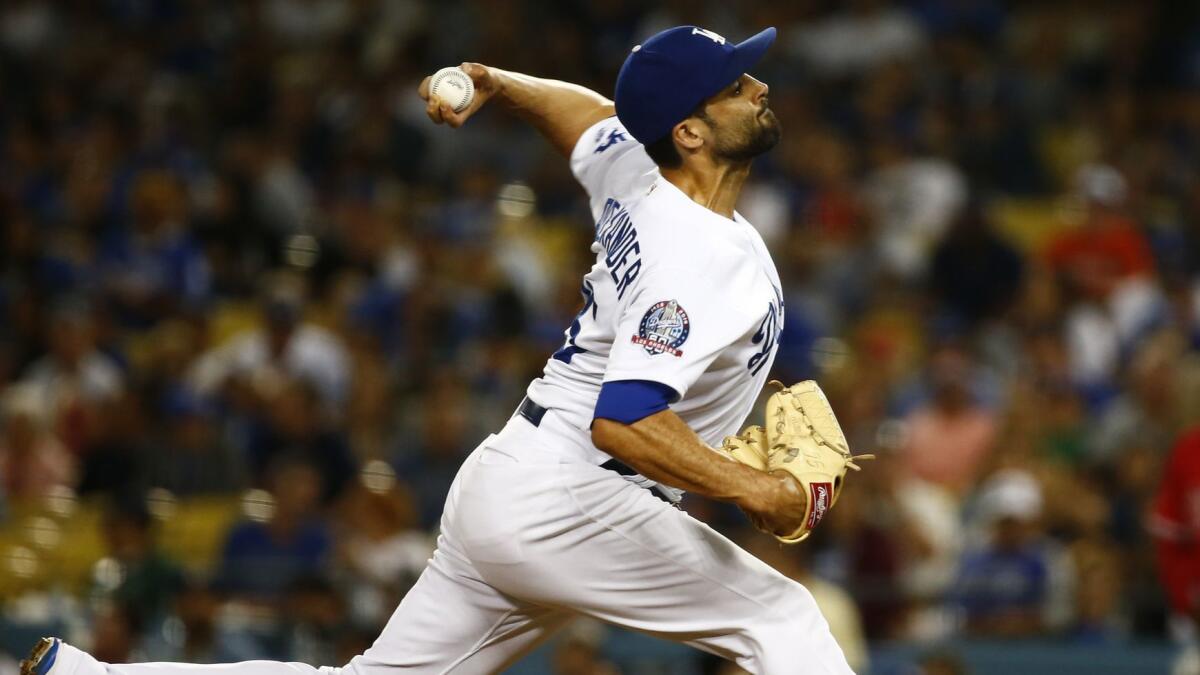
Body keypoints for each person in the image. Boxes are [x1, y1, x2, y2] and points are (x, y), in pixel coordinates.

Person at [22, 25, 853, 674]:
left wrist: (494, 81)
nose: (758, 86)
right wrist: (761, 492)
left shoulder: (637, 171)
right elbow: (625, 421)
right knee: (780, 618)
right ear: (691, 132)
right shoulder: (702, 255)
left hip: (513, 483)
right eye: (736, 85)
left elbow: (583, 115)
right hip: (578, 496)